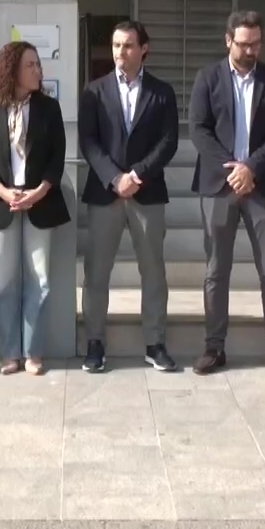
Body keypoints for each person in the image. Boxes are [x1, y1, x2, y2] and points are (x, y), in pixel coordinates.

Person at [189, 11, 265, 377]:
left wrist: (252, 167)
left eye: (256, 43)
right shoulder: (207, 78)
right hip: (218, 188)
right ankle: (214, 347)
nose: (251, 50)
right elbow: (199, 130)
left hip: (261, 186)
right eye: (243, 43)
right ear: (228, 41)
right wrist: (234, 169)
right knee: (216, 271)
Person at [76, 20, 179, 374]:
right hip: (105, 193)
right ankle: (94, 343)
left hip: (147, 194)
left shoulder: (162, 92)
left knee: (153, 272)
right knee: (96, 273)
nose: (121, 52)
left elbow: (168, 142)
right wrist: (114, 177)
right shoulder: (94, 90)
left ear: (143, 49)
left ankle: (155, 343)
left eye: (129, 45)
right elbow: (88, 141)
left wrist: (136, 175)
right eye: (117, 45)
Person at [0, 41, 69, 375]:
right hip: (3, 204)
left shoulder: (49, 109)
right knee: (6, 281)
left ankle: (34, 352)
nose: (38, 71)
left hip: (41, 202)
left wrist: (40, 190)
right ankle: (11, 352)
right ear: (12, 69)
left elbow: (58, 156)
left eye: (38, 65)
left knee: (40, 280)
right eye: (31, 65)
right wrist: (2, 190)